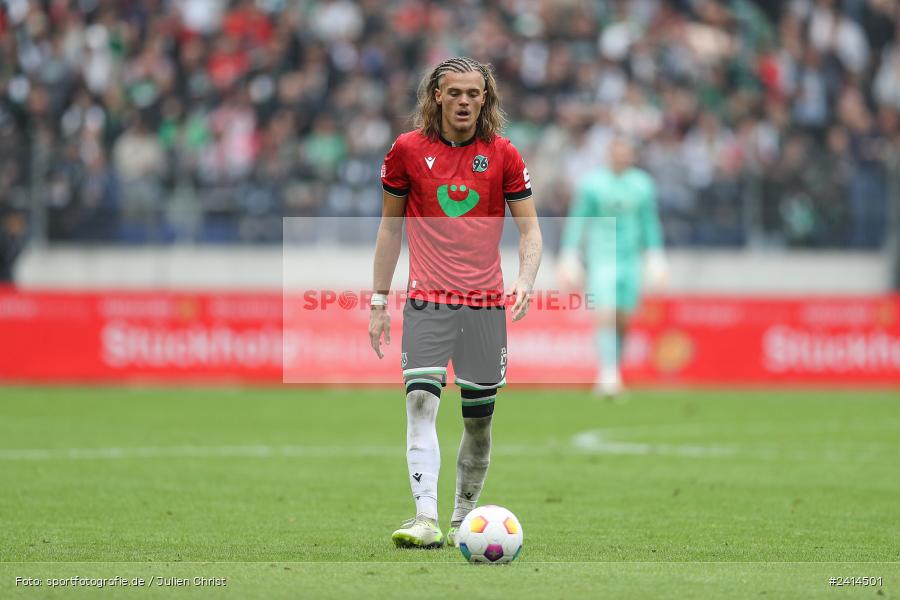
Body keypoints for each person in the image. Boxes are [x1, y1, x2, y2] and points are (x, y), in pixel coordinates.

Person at [368, 57, 542, 548]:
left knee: (478, 420)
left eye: (473, 93)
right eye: (455, 93)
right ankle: (425, 517)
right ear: (437, 97)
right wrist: (379, 299)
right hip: (427, 300)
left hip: (485, 306)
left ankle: (464, 517)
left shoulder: (503, 154)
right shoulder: (407, 150)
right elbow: (389, 226)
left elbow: (530, 229)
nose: (465, 101)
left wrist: (526, 279)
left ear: (485, 99)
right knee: (420, 401)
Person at [558, 137, 666, 397]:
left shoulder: (642, 185)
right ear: (610, 154)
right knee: (605, 311)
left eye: (626, 153)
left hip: (630, 258)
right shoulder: (592, 184)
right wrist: (569, 253)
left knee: (624, 317)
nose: (622, 157)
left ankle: (614, 367)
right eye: (617, 152)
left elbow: (649, 221)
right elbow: (578, 219)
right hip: (602, 256)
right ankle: (607, 373)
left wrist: (655, 254)